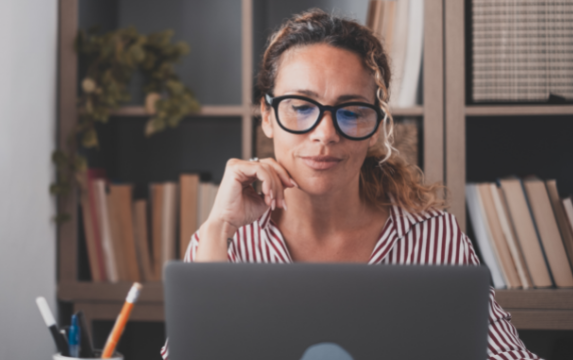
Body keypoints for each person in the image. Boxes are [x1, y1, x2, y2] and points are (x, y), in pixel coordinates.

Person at [161, 9, 538, 360]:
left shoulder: (431, 236)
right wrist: (219, 228)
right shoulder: (224, 241)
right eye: (300, 106)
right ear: (267, 115)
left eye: (352, 111)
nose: (325, 134)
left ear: (375, 126)